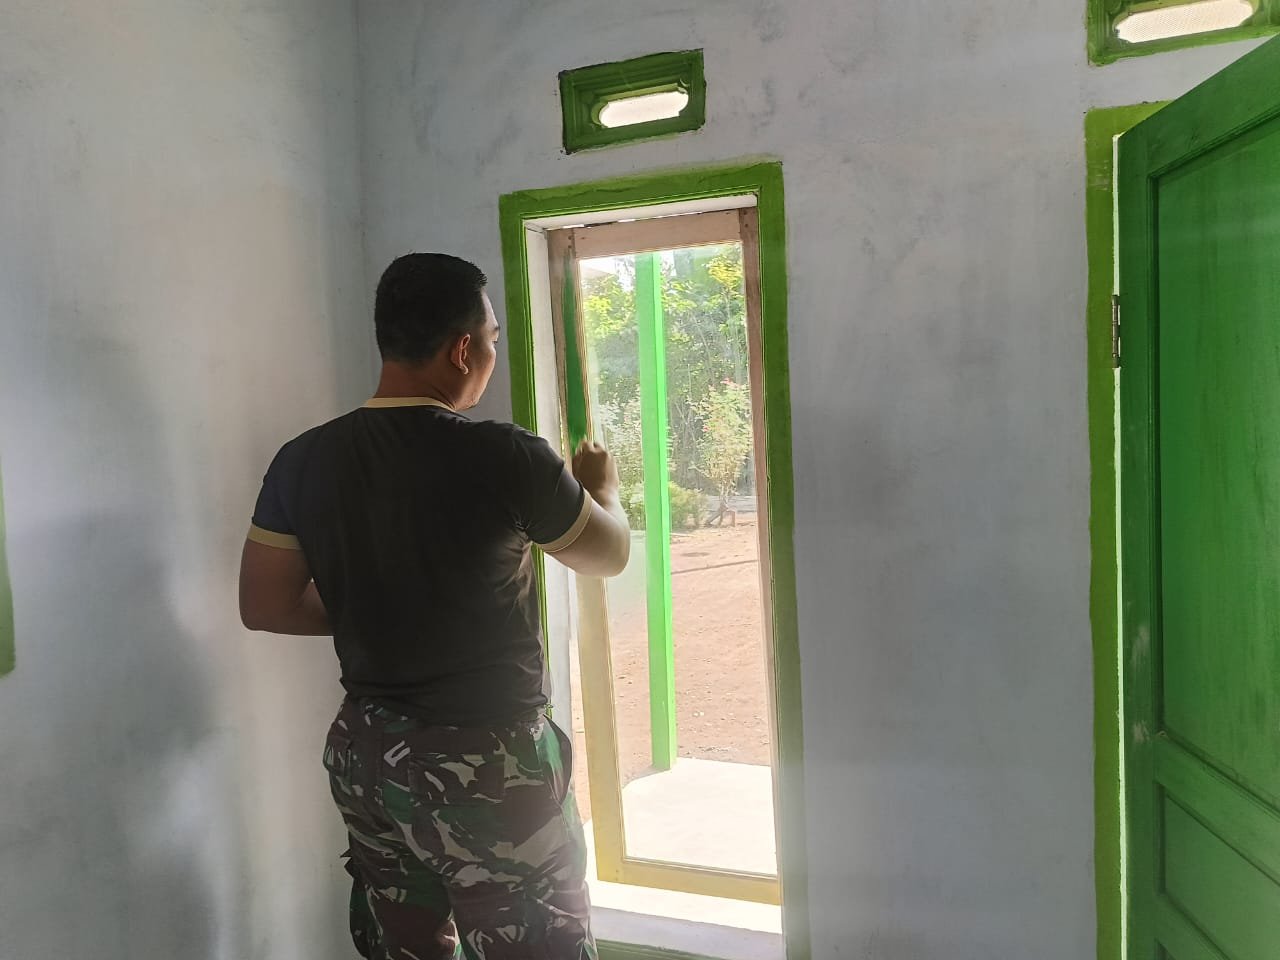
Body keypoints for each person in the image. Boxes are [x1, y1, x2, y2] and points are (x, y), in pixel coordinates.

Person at [237, 252, 630, 959]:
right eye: (492, 340)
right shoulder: (505, 456)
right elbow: (607, 555)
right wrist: (601, 488)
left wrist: (370, 605)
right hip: (489, 763)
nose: (491, 357)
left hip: (369, 754)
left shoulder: (303, 459)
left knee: (409, 946)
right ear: (462, 349)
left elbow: (265, 604)